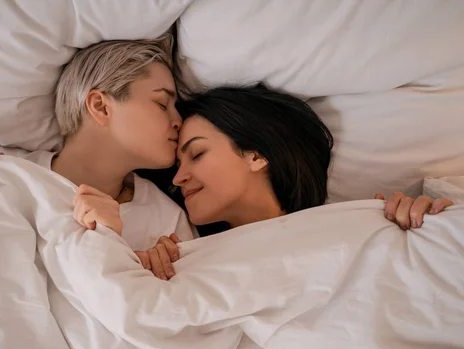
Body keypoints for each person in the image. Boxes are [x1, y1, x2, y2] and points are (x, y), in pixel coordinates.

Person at [70, 85, 454, 276]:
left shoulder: (359, 222)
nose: (180, 176)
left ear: (256, 154)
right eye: (178, 164)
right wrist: (145, 274)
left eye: (197, 154)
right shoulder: (184, 258)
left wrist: (431, 226)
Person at [0, 37, 195, 280]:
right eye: (162, 104)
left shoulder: (168, 223)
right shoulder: (0, 171)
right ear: (100, 106)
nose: (179, 121)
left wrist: (149, 277)